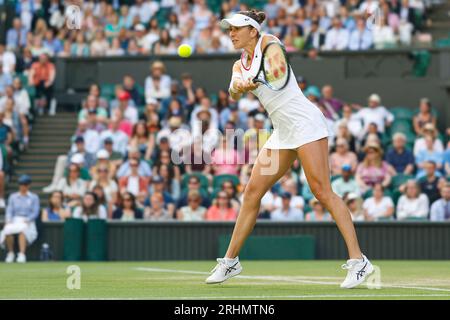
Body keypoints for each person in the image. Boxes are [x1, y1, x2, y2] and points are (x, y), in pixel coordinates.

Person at [207, 9, 373, 289]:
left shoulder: (270, 42)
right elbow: (234, 91)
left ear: (252, 30)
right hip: (282, 133)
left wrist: (256, 79)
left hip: (306, 125)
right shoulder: (238, 64)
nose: (231, 34)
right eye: (229, 30)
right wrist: (241, 86)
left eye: (236, 28)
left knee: (322, 191)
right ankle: (230, 261)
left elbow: (277, 70)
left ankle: (359, 262)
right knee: (251, 193)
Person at [0, 175, 39, 263]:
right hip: (15, 220)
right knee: (7, 229)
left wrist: (28, 219)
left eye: (25, 184)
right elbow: (9, 210)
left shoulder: (34, 197)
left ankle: (22, 254)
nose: (22, 186)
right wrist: (8, 220)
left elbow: (35, 212)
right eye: (21, 184)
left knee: (23, 230)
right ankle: (10, 253)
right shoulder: (13, 197)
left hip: (28, 220)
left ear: (28, 185)